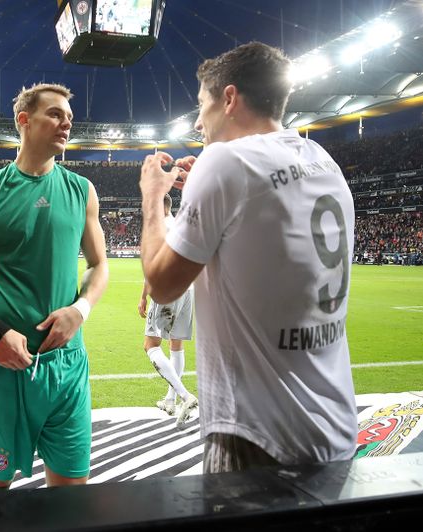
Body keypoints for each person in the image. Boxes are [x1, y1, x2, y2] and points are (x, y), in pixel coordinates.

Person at [139, 41, 357, 473]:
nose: (199, 121)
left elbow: (162, 284)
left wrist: (152, 198)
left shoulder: (224, 162)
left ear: (229, 98)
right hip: (334, 424)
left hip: (259, 438)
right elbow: (253, 224)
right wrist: (201, 189)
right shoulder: (322, 160)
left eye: (202, 105)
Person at [0, 83, 109, 492]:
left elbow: (98, 265)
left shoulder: (83, 191)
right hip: (3, 364)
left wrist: (81, 310)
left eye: (69, 118)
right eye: (55, 114)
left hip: (67, 364)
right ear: (24, 119)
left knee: (72, 491)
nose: (66, 123)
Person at [138, 193, 197, 426]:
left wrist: (143, 296)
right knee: (176, 344)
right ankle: (170, 400)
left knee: (150, 345)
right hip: (187, 289)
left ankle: (184, 395)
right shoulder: (181, 224)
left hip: (166, 289)